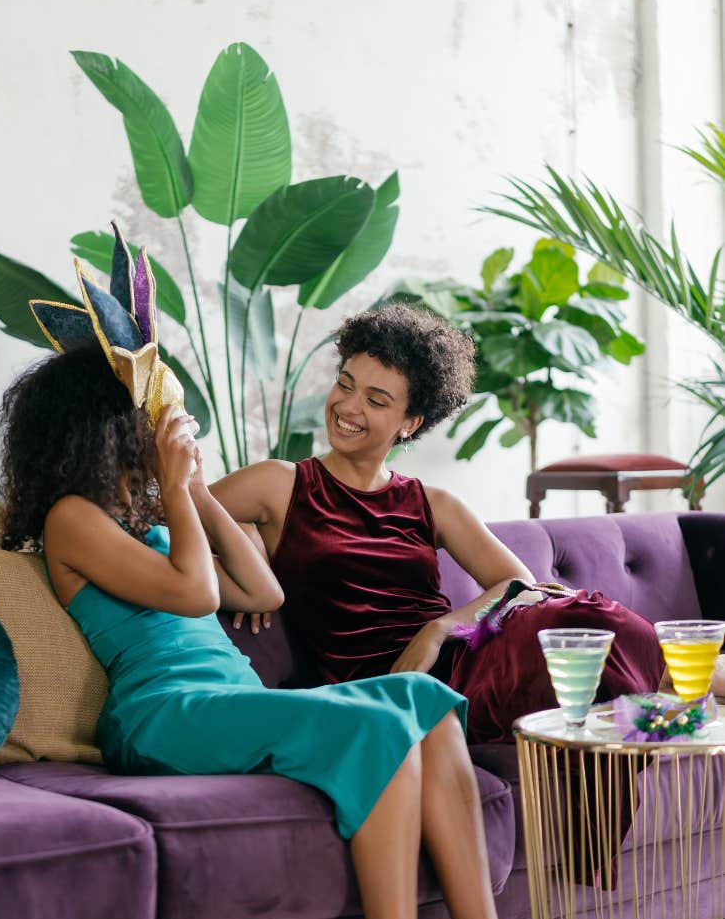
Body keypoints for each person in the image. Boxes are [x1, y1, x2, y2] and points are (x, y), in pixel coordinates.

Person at [0, 339, 567, 919]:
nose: (160, 433)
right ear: (100, 429)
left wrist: (189, 493)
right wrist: (174, 486)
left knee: (428, 704)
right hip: (164, 715)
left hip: (222, 704)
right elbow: (198, 594)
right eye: (147, 420)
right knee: (378, 723)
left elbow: (262, 591)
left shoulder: (152, 521)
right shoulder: (73, 520)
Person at [210, 304, 665, 739]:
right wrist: (247, 546)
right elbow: (167, 518)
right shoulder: (277, 484)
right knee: (588, 657)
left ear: (409, 422)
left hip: (459, 660)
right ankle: (686, 692)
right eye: (345, 385)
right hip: (383, 687)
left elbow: (518, 586)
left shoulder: (432, 503)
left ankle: (687, 694)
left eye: (376, 399)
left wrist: (439, 629)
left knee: (591, 625)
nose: (349, 407)